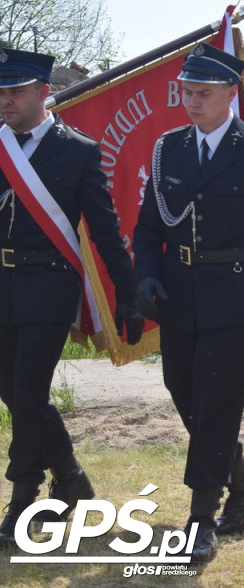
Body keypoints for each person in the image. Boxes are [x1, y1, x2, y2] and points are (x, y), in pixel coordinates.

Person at [134, 44, 244, 563]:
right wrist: (144, 275)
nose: (192, 102)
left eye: (203, 94)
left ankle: (200, 519)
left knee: (217, 402)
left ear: (230, 95)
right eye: (187, 92)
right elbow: (148, 226)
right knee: (182, 388)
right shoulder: (169, 148)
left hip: (237, 295)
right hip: (179, 292)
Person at [0, 48, 144, 544]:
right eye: (1, 92)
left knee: (29, 392)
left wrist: (126, 295)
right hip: (2, 285)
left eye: (16, 91)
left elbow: (105, 230)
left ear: (44, 92)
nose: (6, 100)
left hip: (49, 286)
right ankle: (72, 478)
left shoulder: (79, 150)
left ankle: (22, 498)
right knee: (14, 394)